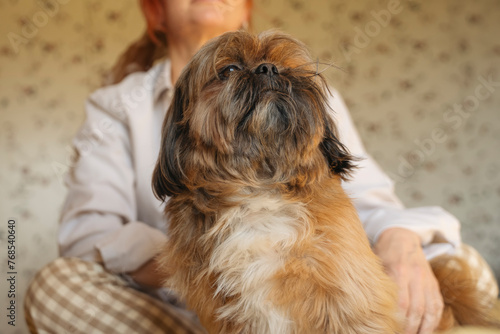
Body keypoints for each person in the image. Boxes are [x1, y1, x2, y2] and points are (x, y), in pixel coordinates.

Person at [24, 0, 498, 333]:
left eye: (282, 72)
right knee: (52, 288)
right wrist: (194, 262)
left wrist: (401, 243)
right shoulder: (116, 107)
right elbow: (86, 237)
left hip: (330, 308)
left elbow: (370, 200)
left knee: (462, 265)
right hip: (186, 315)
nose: (268, 76)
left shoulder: (320, 108)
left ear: (247, 7)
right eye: (229, 71)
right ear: (154, 11)